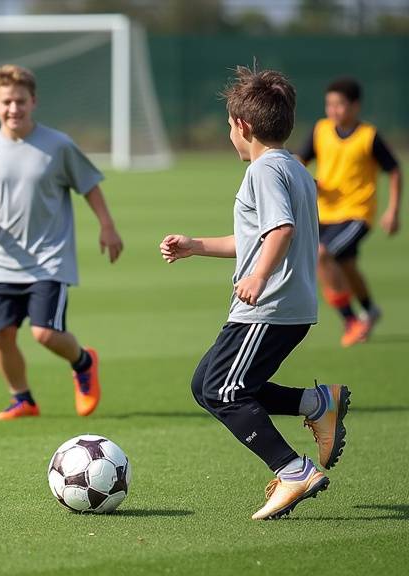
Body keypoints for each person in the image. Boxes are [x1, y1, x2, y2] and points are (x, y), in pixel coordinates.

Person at [160, 67, 350, 520]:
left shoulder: (263, 171)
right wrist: (196, 247)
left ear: (243, 126)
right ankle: (316, 403)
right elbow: (257, 237)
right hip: (290, 305)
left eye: (229, 126)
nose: (230, 134)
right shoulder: (294, 168)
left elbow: (280, 231)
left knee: (224, 391)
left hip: (268, 305)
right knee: (207, 386)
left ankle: (292, 469)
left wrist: (258, 278)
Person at [0, 64, 123, 421]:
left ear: (34, 101)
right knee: (1, 335)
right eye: (7, 102)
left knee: (45, 333)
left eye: (21, 101)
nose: (14, 108)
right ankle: (22, 399)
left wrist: (107, 225)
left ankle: (83, 361)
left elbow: (89, 185)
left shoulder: (57, 145)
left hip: (49, 258)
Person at [297, 77, 401, 347]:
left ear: (355, 106)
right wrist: (302, 178)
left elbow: (394, 170)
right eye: (329, 104)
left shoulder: (369, 136)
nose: (333, 110)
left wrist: (393, 210)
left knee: (321, 255)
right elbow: (300, 159)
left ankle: (351, 320)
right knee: (347, 266)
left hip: (357, 214)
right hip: (325, 213)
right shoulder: (321, 130)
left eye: (340, 104)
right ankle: (370, 310)